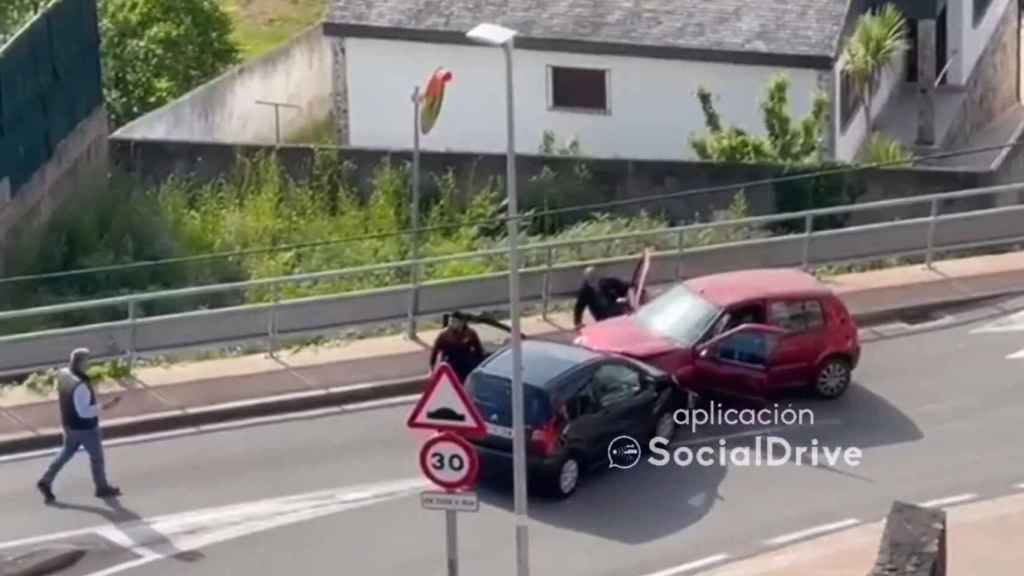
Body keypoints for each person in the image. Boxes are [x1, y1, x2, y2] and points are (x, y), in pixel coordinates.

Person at [37, 348, 122, 504]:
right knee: (97, 458)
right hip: (85, 428)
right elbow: (84, 411)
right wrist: (104, 406)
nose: (89, 364)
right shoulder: (81, 385)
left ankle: (45, 480)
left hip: (69, 424)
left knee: (65, 453)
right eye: (87, 361)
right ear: (81, 363)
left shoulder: (63, 374)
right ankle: (102, 488)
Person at [430, 312, 485, 383]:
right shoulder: (444, 335)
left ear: (461, 322)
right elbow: (434, 352)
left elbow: (478, 350)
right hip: (450, 364)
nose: (451, 324)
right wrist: (432, 368)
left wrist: (481, 364)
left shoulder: (470, 333)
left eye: (454, 321)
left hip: (466, 364)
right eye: (450, 321)